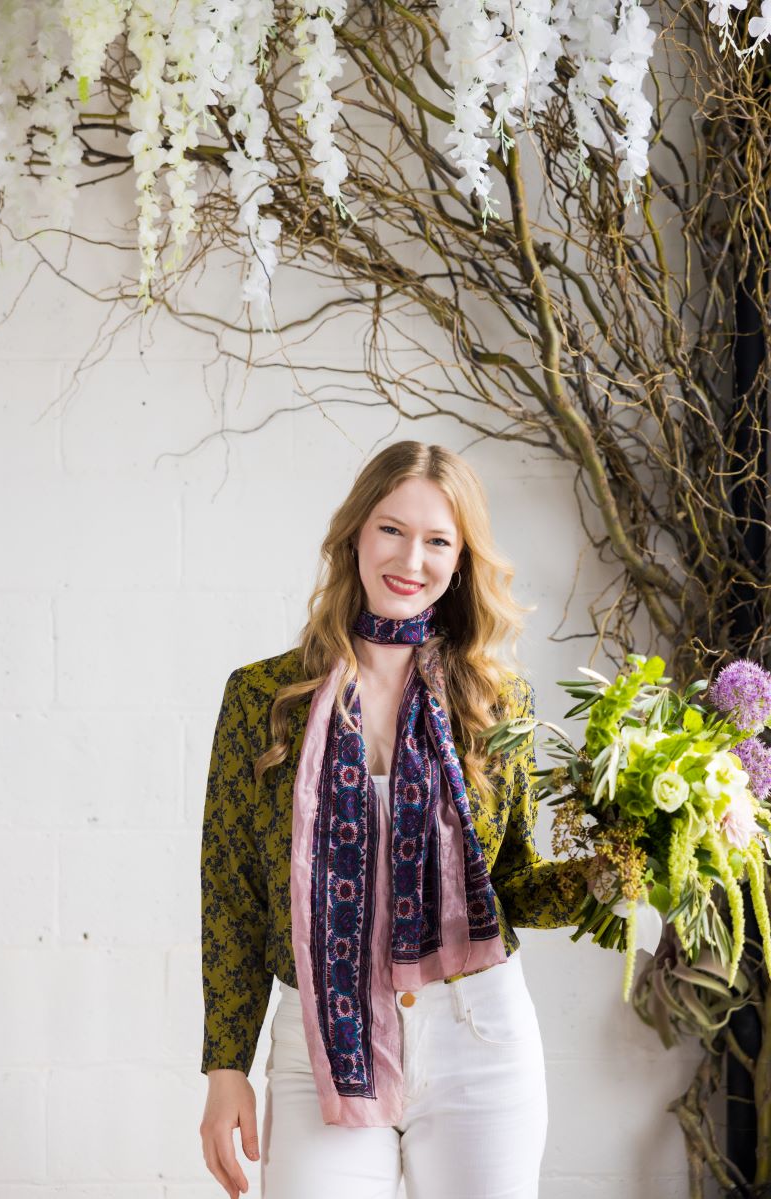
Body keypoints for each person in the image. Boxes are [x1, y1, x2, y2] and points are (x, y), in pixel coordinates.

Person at [199, 440, 591, 1199]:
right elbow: (232, 896)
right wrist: (225, 1069)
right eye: (391, 529)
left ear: (461, 559)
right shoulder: (262, 699)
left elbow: (510, 884)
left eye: (438, 540)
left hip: (479, 1034)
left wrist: (617, 866)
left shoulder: (493, 706)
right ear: (355, 533)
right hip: (322, 1040)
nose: (411, 557)